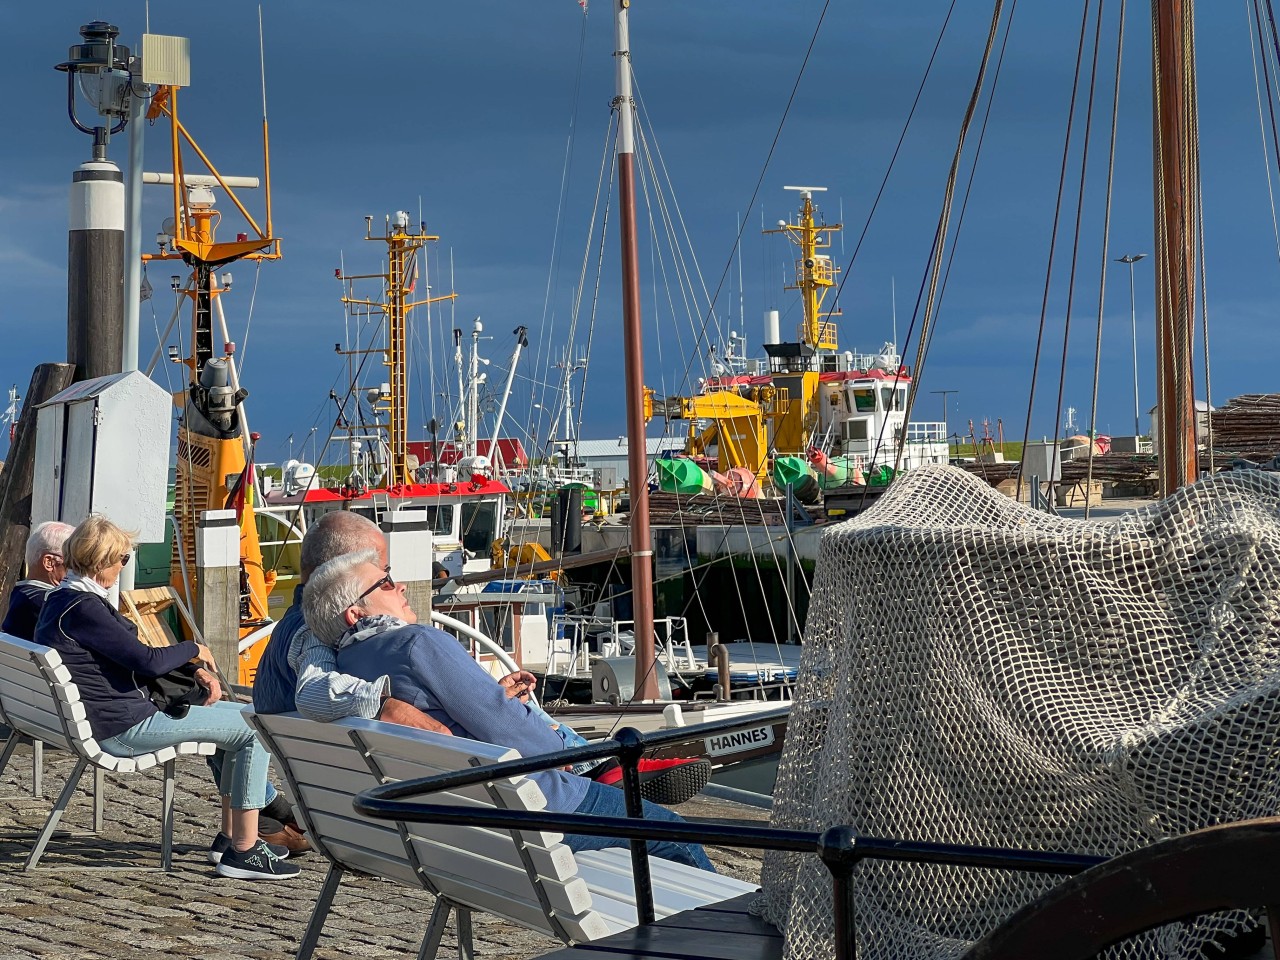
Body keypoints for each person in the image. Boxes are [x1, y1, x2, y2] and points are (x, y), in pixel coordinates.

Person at [303, 550, 715, 872]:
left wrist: (491, 696)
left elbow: (453, 718)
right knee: (672, 832)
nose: (404, 587)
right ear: (356, 612)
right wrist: (558, 747)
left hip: (454, 825)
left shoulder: (349, 666)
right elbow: (516, 732)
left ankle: (606, 773)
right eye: (387, 583)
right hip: (536, 808)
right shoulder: (417, 643)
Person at [255, 511, 707, 803]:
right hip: (462, 803)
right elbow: (315, 692)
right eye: (387, 574)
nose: (400, 583)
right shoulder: (321, 632)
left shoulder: (316, 631)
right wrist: (385, 703)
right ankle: (604, 765)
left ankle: (603, 762)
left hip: (352, 792)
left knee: (498, 700)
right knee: (512, 714)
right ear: (350, 578)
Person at [34, 514, 299, 880]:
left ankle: (232, 837)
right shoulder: (85, 609)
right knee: (253, 726)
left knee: (231, 723)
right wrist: (194, 650)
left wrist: (190, 669)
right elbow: (145, 659)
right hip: (124, 728)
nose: (124, 566)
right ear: (101, 562)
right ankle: (244, 850)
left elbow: (133, 657)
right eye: (122, 559)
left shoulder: (61, 601)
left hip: (106, 718)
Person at [2, 521, 74, 640]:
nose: (81, 569)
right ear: (49, 563)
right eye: (74, 562)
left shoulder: (22, 594)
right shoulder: (48, 604)